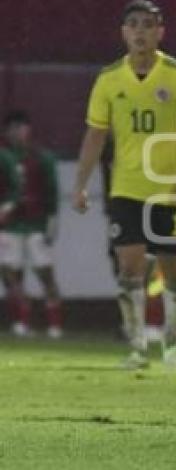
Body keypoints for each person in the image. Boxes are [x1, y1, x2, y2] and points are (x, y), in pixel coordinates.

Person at [72, 0, 176, 370]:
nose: (140, 31)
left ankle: (172, 343)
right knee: (129, 269)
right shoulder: (109, 79)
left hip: (171, 191)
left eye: (148, 24)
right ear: (123, 32)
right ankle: (136, 346)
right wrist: (80, 184)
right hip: (126, 189)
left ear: (160, 31)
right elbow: (95, 136)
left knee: (174, 272)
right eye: (133, 24)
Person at [0, 111, 63, 338]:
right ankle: (21, 320)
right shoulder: (4, 156)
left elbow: (52, 191)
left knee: (45, 273)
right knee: (9, 273)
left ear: (29, 130)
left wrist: (52, 221)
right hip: (10, 226)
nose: (18, 132)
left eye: (21, 127)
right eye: (13, 128)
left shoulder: (42, 157)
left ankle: (55, 324)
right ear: (6, 132)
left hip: (36, 224)